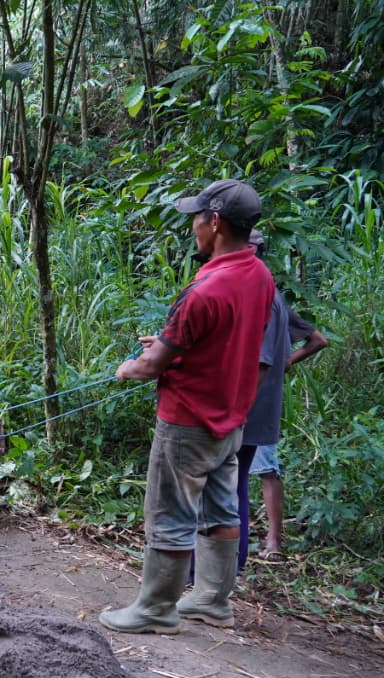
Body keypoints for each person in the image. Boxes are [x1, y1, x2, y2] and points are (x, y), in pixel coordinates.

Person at [100, 179, 274, 634]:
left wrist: (128, 367)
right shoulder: (259, 274)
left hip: (188, 422)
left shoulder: (202, 291)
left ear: (214, 223)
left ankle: (155, 609)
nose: (193, 227)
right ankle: (212, 601)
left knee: (170, 515)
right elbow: (227, 338)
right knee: (221, 511)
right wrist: (173, 345)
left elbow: (151, 366)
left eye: (197, 218)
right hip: (232, 419)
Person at [232, 230, 329, 565]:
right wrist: (284, 361)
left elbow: (317, 340)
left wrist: (282, 362)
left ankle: (270, 541)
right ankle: (250, 550)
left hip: (255, 402)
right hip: (258, 399)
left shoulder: (265, 295)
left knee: (258, 471)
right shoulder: (262, 292)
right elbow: (317, 341)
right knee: (246, 476)